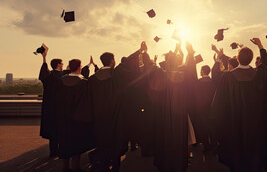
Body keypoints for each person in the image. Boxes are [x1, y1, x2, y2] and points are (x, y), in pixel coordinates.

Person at [210, 38, 267, 172]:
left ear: (237, 58)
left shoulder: (228, 77)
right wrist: (260, 45)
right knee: (253, 152)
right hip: (254, 122)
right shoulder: (259, 74)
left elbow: (220, 101)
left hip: (234, 123)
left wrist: (219, 57)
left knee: (236, 154)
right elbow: (265, 63)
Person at [87, 42, 148, 172]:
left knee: (102, 141)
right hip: (116, 116)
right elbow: (128, 62)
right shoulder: (117, 74)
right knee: (116, 143)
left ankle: (102, 165)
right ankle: (115, 166)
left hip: (99, 117)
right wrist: (140, 50)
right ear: (112, 61)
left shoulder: (92, 79)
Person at [147, 42, 197, 172]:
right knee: (180, 140)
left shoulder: (160, 76)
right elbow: (191, 70)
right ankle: (179, 164)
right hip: (180, 116)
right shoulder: (185, 76)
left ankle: (165, 164)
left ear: (167, 63)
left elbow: (150, 70)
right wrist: (190, 53)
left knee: (164, 139)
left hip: (164, 116)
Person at [56, 59, 95, 172]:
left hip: (63, 117)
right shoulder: (83, 83)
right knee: (76, 142)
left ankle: (64, 166)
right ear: (79, 67)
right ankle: (76, 167)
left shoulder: (60, 81)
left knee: (64, 141)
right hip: (77, 118)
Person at [38, 44, 67, 157]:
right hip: (60, 106)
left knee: (53, 129)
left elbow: (44, 73)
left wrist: (44, 58)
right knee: (59, 128)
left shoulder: (52, 75)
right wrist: (44, 58)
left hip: (51, 106)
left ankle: (54, 151)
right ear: (58, 65)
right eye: (62, 63)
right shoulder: (59, 75)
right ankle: (58, 150)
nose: (63, 65)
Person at [192, 65, 216, 153]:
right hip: (211, 107)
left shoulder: (198, 82)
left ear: (202, 71)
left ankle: (207, 146)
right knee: (212, 128)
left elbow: (195, 96)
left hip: (201, 108)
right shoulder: (213, 82)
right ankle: (214, 146)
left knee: (203, 127)